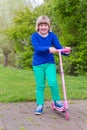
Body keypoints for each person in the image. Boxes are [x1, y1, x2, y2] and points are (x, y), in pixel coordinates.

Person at [31, 15, 71, 115]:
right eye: (41, 25)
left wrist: (66, 51)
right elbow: (37, 48)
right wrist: (48, 48)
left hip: (49, 63)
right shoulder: (34, 36)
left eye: (45, 25)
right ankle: (39, 105)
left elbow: (58, 47)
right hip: (38, 64)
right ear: (38, 26)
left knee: (53, 82)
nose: (43, 27)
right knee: (40, 85)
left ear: (49, 26)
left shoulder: (52, 35)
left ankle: (57, 101)